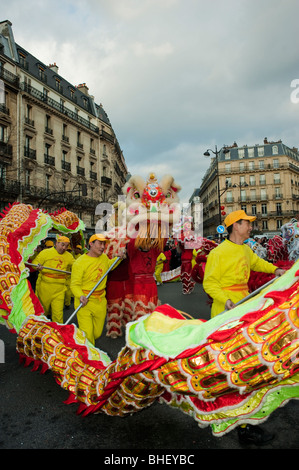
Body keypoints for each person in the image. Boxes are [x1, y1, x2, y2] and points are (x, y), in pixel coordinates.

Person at [203, 210, 285, 445]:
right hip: (225, 313)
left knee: (245, 366)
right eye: (246, 223)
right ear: (234, 226)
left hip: (245, 309)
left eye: (249, 223)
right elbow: (210, 282)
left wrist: (276, 270)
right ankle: (240, 422)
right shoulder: (218, 253)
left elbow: (258, 263)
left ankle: (241, 418)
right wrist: (226, 300)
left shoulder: (246, 249)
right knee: (234, 368)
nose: (250, 227)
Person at [70, 234, 124, 345]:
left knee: (97, 333)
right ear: (91, 244)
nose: (102, 246)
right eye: (100, 243)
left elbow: (109, 266)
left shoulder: (104, 258)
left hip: (100, 301)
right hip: (85, 302)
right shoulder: (79, 262)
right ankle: (89, 358)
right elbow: (74, 285)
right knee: (88, 335)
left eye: (104, 244)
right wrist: (80, 296)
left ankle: (80, 343)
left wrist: (118, 258)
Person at [34, 235, 74, 323]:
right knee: (43, 312)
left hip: (60, 289)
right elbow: (35, 263)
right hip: (45, 288)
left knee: (58, 314)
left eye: (66, 246)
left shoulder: (69, 256)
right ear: (57, 243)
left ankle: (57, 332)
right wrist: (38, 266)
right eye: (62, 245)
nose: (64, 248)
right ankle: (41, 331)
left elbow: (76, 267)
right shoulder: (45, 253)